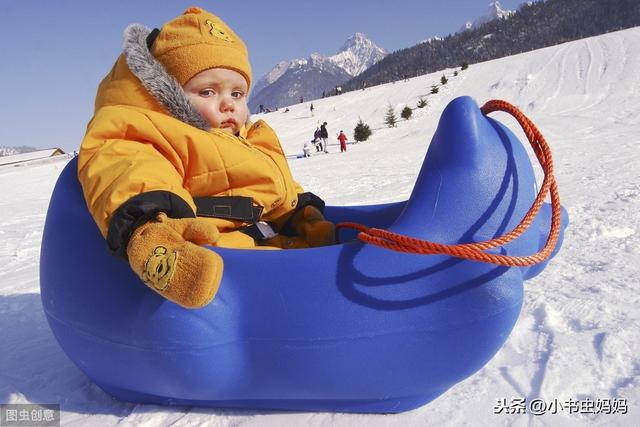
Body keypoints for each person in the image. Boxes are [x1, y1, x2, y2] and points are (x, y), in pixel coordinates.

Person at [78, 7, 335, 309]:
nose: (228, 104)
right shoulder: (152, 133)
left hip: (273, 249)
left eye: (237, 94)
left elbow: (278, 190)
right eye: (209, 91)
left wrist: (302, 215)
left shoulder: (248, 141)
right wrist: (151, 233)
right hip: (214, 266)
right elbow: (128, 171)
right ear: (167, 96)